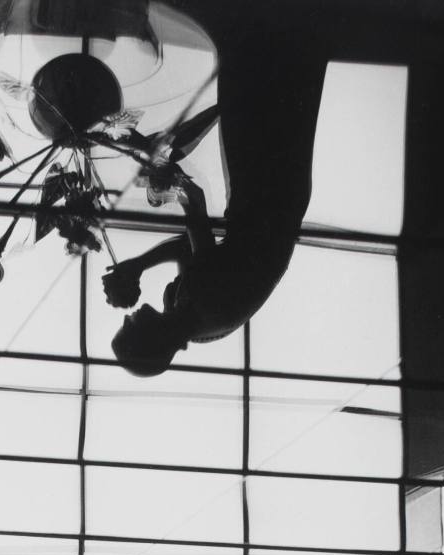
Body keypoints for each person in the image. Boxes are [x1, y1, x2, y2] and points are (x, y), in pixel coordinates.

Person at [104, 23, 327, 375]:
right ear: (149, 335)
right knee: (263, 103)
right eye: (131, 325)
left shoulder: (185, 314)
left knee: (254, 103)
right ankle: (285, 31)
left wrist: (139, 265)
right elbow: (192, 198)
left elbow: (186, 248)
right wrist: (159, 167)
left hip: (256, 205)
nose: (129, 316)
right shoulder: (202, 305)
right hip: (272, 196)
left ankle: (279, 37)